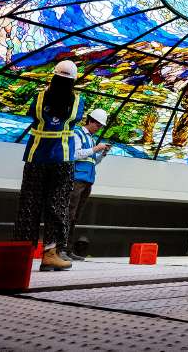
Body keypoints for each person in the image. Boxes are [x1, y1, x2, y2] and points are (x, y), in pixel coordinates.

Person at [13, 60, 85, 272]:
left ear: (53, 76)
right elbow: (75, 118)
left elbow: (32, 115)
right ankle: (51, 254)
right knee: (58, 205)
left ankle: (21, 255)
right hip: (62, 158)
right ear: (73, 80)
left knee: (29, 204)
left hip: (36, 157)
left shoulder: (39, 97)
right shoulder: (77, 101)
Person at [64, 107, 111, 261]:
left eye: (100, 126)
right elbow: (75, 154)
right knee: (69, 214)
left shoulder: (90, 138)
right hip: (77, 180)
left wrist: (102, 154)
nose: (98, 128)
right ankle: (61, 249)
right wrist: (96, 148)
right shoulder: (78, 133)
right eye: (97, 124)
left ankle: (68, 249)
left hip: (87, 181)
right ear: (90, 120)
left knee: (75, 216)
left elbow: (92, 161)